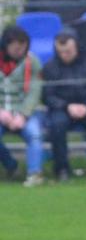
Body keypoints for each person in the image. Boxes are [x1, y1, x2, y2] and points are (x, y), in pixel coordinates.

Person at [41, 27, 86, 182]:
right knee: (57, 125)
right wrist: (66, 106)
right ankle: (61, 169)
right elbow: (47, 96)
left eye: (68, 51)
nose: (64, 55)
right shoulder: (50, 67)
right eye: (60, 51)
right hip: (62, 108)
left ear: (77, 46)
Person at [0, 25, 45, 186]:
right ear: (6, 45)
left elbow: (34, 91)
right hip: (1, 112)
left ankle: (35, 173)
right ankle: (11, 166)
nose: (20, 51)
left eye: (23, 47)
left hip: (24, 112)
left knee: (34, 134)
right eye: (16, 47)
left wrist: (23, 115)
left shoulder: (32, 62)